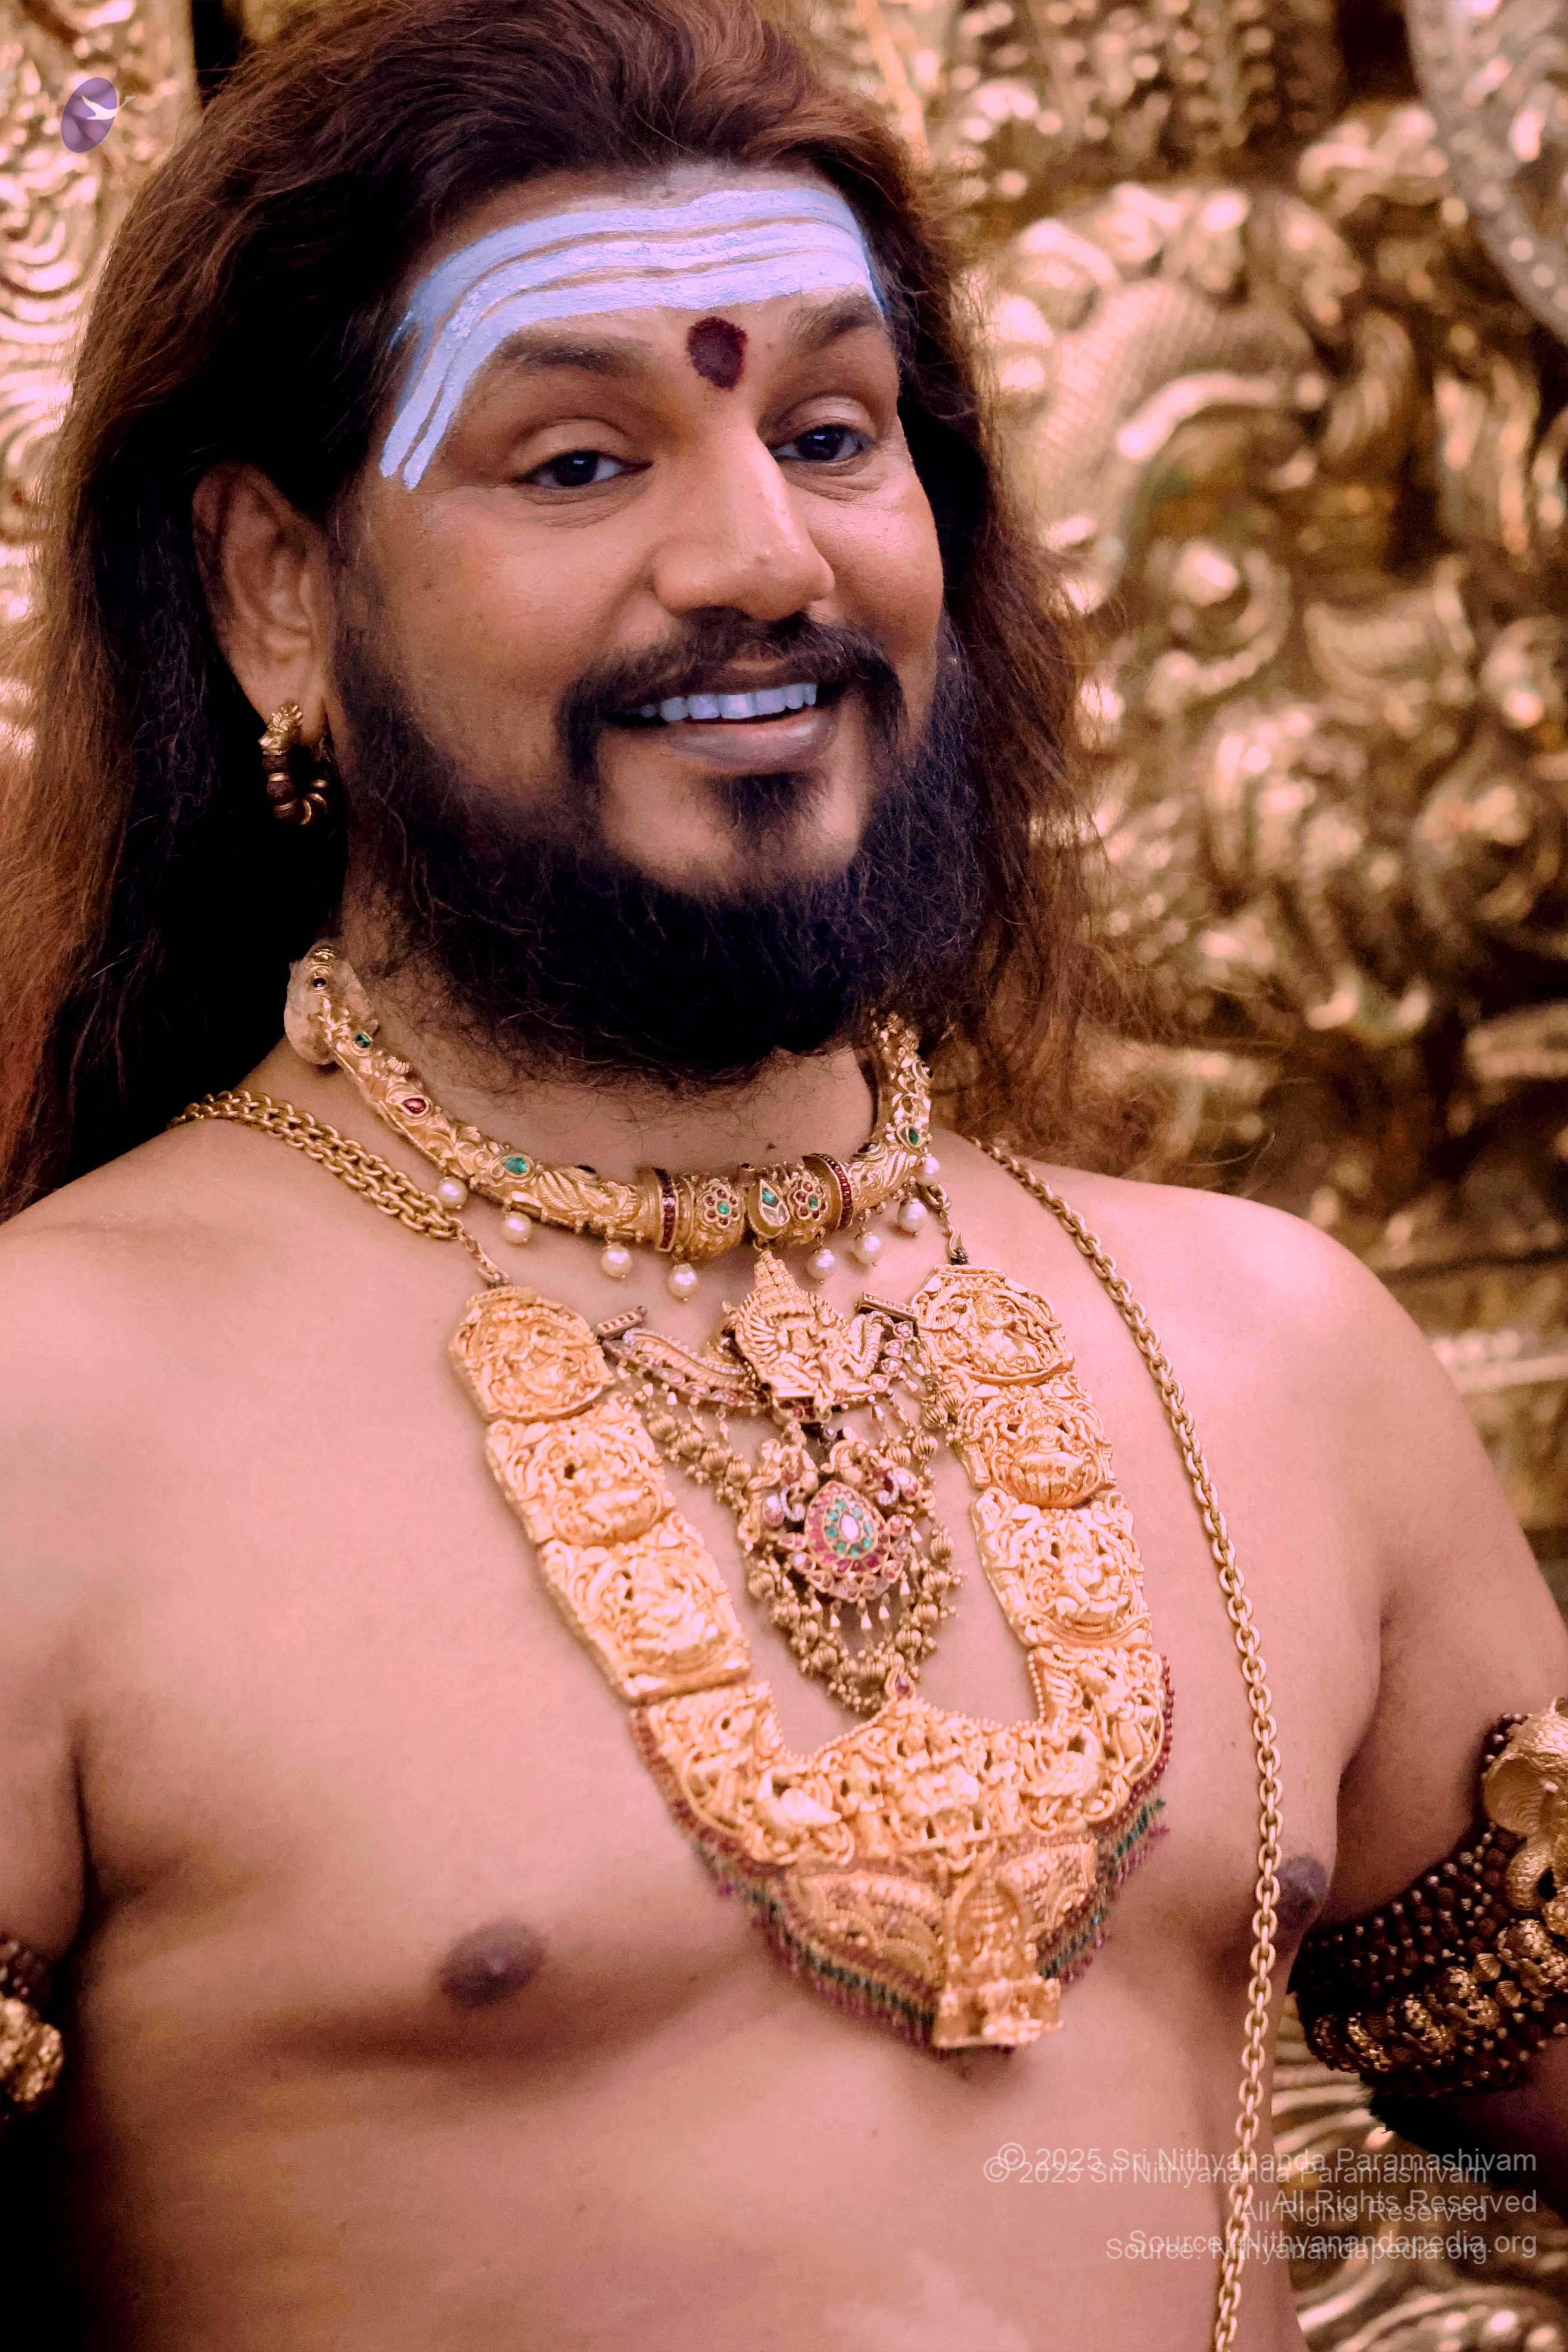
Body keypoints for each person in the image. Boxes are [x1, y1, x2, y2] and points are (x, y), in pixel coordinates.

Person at [1, 1, 1565, 2346]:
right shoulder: (57, 1415)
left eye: (833, 434)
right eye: (575, 461)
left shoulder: (1275, 1357)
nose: (761, 555)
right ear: (278, 591)